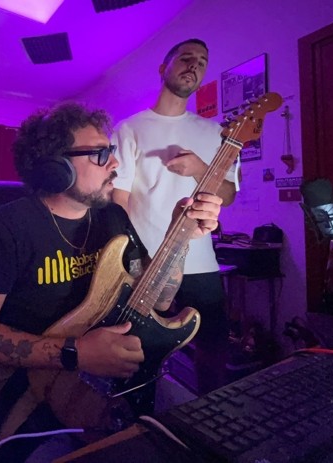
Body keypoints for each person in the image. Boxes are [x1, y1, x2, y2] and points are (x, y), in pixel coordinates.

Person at [0, 101, 223, 461]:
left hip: (113, 375)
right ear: (56, 167)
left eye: (110, 151)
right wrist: (77, 353)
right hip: (32, 379)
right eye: (100, 154)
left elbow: (158, 301)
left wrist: (180, 235)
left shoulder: (112, 217)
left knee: (199, 436)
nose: (115, 163)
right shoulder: (10, 226)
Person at [111, 38, 237, 394]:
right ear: (163, 67)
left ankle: (210, 414)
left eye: (202, 61)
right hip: (146, 263)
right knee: (139, 351)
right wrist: (129, 258)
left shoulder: (216, 133)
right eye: (186, 58)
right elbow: (118, 200)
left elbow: (228, 194)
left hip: (200, 260)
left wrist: (199, 168)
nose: (194, 65)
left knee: (213, 347)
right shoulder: (129, 128)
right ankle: (138, 418)